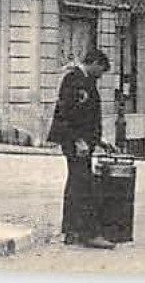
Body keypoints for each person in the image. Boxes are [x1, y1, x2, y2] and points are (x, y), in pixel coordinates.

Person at [46, 48, 114, 248]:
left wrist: (99, 140)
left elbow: (88, 117)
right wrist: (77, 140)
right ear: (94, 63)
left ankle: (71, 231)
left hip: (83, 142)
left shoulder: (87, 80)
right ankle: (89, 233)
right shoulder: (73, 79)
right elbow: (66, 113)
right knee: (85, 185)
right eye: (101, 70)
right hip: (75, 142)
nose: (101, 75)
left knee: (76, 185)